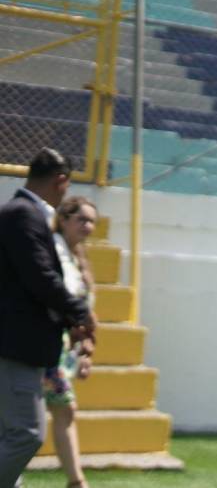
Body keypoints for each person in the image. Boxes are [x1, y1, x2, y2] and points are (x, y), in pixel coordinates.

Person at [0, 148, 96, 488]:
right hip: (16, 346)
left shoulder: (20, 213)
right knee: (26, 434)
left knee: (10, 435)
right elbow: (40, 277)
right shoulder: (24, 214)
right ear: (61, 181)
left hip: (21, 345)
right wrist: (79, 311)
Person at [43, 197, 99, 488]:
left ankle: (75, 481)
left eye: (91, 222)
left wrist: (86, 352)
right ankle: (76, 482)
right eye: (82, 219)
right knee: (63, 409)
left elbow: (85, 310)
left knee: (62, 410)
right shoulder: (52, 251)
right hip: (45, 344)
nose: (87, 226)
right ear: (63, 219)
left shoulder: (79, 258)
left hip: (64, 349)